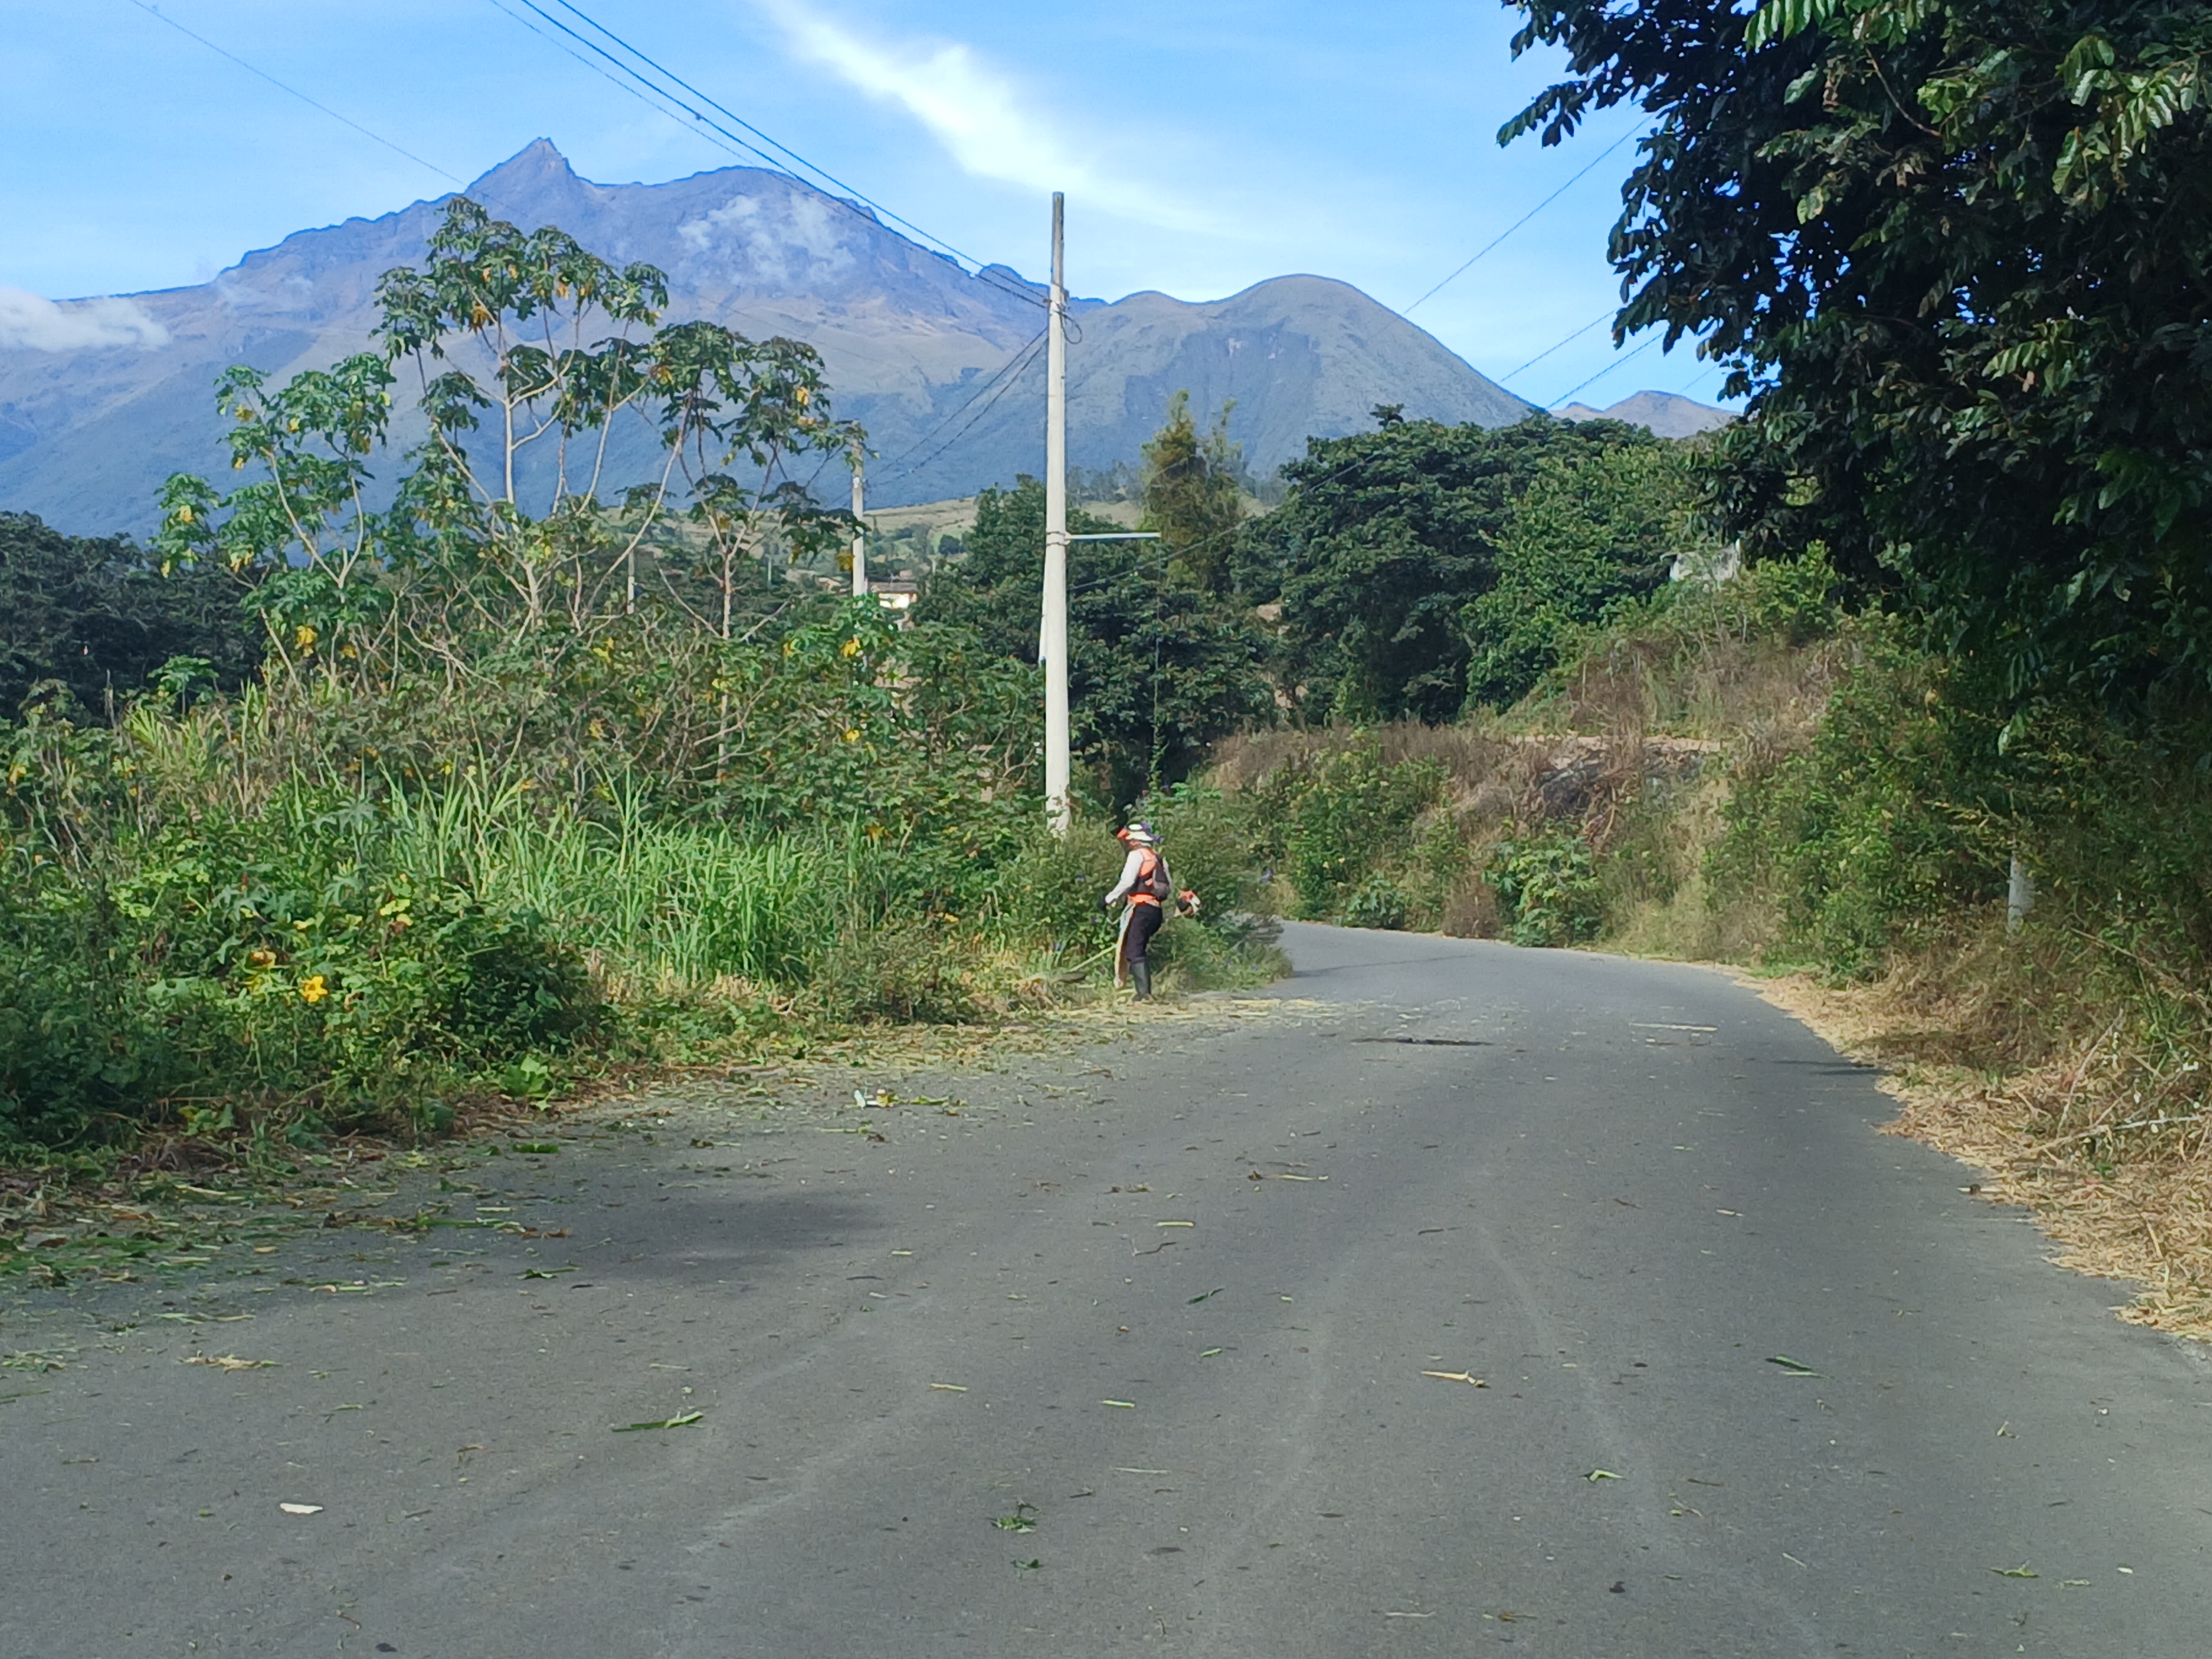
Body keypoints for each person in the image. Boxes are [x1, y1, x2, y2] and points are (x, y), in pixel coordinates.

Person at [1102, 821, 1173, 999]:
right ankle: (1143, 992)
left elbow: (1126, 882)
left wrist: (1108, 900)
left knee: (1134, 950)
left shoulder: (1137, 855)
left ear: (1134, 840)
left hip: (1141, 909)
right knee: (1137, 948)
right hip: (1156, 912)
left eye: (1128, 840)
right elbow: (1169, 888)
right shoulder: (1159, 859)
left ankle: (1144, 994)